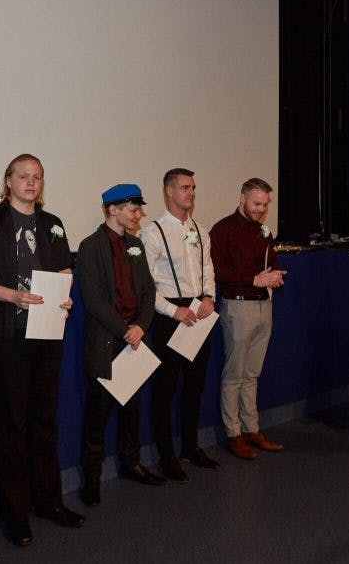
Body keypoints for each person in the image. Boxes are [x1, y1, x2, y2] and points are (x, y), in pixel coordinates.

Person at [0, 154, 83, 547]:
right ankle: (15, 514)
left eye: (37, 177)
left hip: (47, 333)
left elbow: (64, 272)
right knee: (13, 425)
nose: (31, 182)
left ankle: (49, 501)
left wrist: (65, 297)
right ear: (8, 181)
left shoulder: (53, 224)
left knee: (45, 421)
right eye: (23, 176)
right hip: (7, 335)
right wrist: (12, 295)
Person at [76, 183, 165, 507]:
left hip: (135, 339)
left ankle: (131, 463)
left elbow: (148, 292)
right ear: (113, 209)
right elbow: (93, 300)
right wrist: (125, 329)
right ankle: (91, 479)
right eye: (133, 209)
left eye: (138, 209)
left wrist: (140, 325)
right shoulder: (89, 247)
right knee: (97, 415)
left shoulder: (136, 245)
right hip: (107, 341)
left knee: (132, 409)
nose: (138, 215)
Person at [139, 168, 220, 482]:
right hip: (168, 316)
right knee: (166, 389)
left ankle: (190, 446)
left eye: (193, 188)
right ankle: (166, 456)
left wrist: (209, 296)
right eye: (185, 187)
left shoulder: (201, 230)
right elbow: (146, 286)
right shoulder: (153, 232)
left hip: (199, 312)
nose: (191, 193)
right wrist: (174, 311)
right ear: (169, 191)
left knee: (195, 385)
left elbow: (207, 268)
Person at [209, 178, 286, 459]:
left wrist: (275, 276)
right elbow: (217, 271)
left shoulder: (263, 231)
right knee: (234, 376)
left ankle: (252, 429)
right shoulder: (222, 229)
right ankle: (234, 433)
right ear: (242, 198)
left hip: (264, 306)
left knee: (252, 374)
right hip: (238, 307)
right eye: (257, 204)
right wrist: (253, 279)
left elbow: (272, 263)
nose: (261, 209)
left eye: (265, 205)